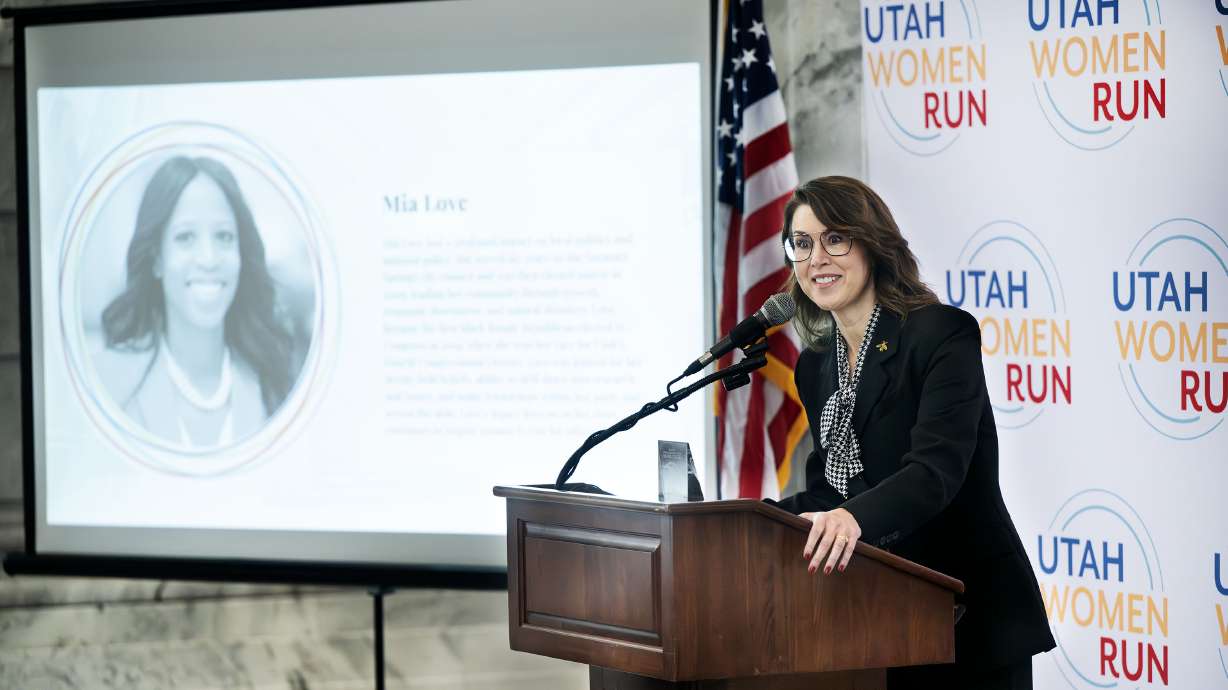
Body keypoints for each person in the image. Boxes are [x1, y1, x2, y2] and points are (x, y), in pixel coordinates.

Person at [770, 176, 1054, 689]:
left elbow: (934, 473)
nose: (817, 259)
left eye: (835, 239)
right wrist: (749, 519)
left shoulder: (941, 334)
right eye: (803, 244)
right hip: (879, 620)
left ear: (872, 243)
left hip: (968, 613)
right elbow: (828, 491)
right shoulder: (815, 366)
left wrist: (850, 518)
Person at [97, 155, 298, 450]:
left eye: (224, 236)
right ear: (156, 260)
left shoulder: (276, 382)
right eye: (185, 237)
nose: (208, 259)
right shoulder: (106, 384)